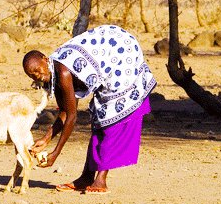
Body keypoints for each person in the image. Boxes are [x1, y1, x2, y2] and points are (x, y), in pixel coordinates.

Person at [23, 25, 156, 193]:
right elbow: (64, 111)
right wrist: (46, 139)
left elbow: (72, 117)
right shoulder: (54, 74)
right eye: (32, 75)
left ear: (44, 59)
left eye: (36, 70)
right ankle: (86, 177)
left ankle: (100, 181)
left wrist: (56, 152)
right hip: (110, 57)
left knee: (110, 119)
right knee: (98, 120)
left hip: (121, 57)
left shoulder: (62, 72)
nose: (37, 75)